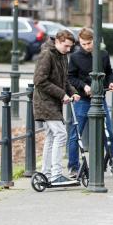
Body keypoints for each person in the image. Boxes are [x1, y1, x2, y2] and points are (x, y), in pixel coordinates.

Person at [67, 27, 113, 177]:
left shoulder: (103, 54)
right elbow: (71, 77)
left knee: (108, 132)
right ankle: (73, 167)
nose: (87, 46)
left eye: (89, 43)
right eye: (83, 44)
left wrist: (111, 83)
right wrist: (84, 86)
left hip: (100, 98)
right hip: (83, 99)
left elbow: (109, 72)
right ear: (79, 43)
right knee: (76, 133)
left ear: (95, 41)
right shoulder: (75, 57)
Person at [33, 30, 80, 185]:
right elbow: (39, 81)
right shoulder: (47, 54)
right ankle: (56, 174)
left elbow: (64, 79)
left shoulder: (62, 55)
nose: (69, 50)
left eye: (70, 47)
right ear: (58, 41)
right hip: (45, 102)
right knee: (61, 134)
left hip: (53, 102)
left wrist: (73, 92)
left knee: (52, 137)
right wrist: (62, 94)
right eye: (66, 46)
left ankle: (45, 174)